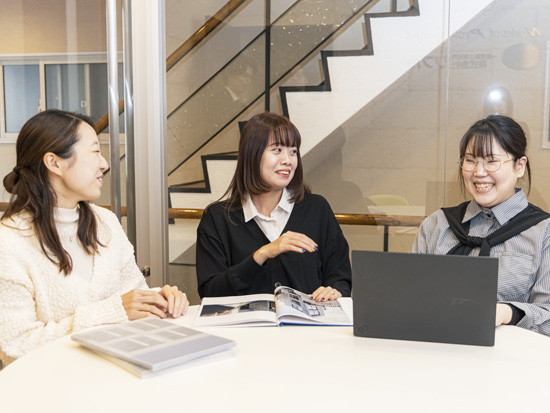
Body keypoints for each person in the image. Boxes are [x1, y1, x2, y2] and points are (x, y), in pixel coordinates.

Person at [0, 110, 189, 367]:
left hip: (117, 376)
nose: (104, 164)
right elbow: (16, 346)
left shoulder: (106, 223)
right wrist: (113, 311)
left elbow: (132, 296)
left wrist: (159, 300)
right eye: (95, 152)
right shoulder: (9, 242)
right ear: (54, 162)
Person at [412, 114, 550, 336]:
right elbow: (410, 297)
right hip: (436, 353)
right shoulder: (436, 224)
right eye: (470, 160)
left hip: (512, 364)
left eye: (491, 161)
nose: (478, 172)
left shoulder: (544, 232)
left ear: (519, 166)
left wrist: (508, 313)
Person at [196, 112, 352, 300]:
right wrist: (263, 254)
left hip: (306, 328)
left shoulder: (317, 209)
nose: (288, 160)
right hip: (244, 329)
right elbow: (210, 293)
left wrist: (334, 291)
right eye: (277, 150)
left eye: (293, 151)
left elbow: (340, 279)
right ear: (252, 154)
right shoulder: (217, 217)